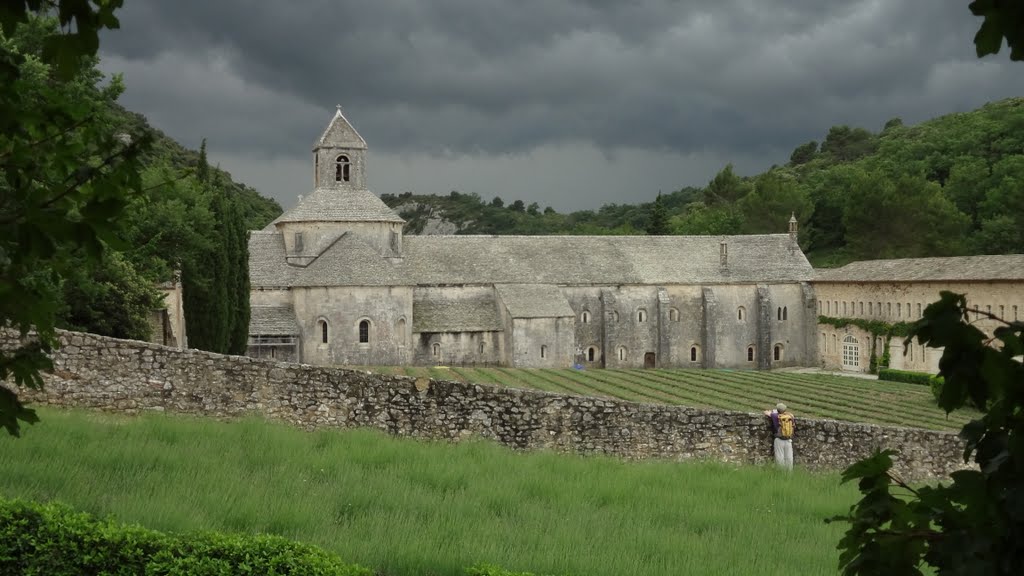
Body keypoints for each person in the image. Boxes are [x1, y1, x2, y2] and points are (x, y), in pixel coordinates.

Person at [763, 402, 795, 471]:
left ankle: (781, 473)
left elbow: (766, 412)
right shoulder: (790, 416)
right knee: (789, 458)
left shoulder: (775, 416)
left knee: (780, 458)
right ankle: (789, 474)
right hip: (788, 440)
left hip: (779, 440)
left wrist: (771, 412)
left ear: (777, 410)